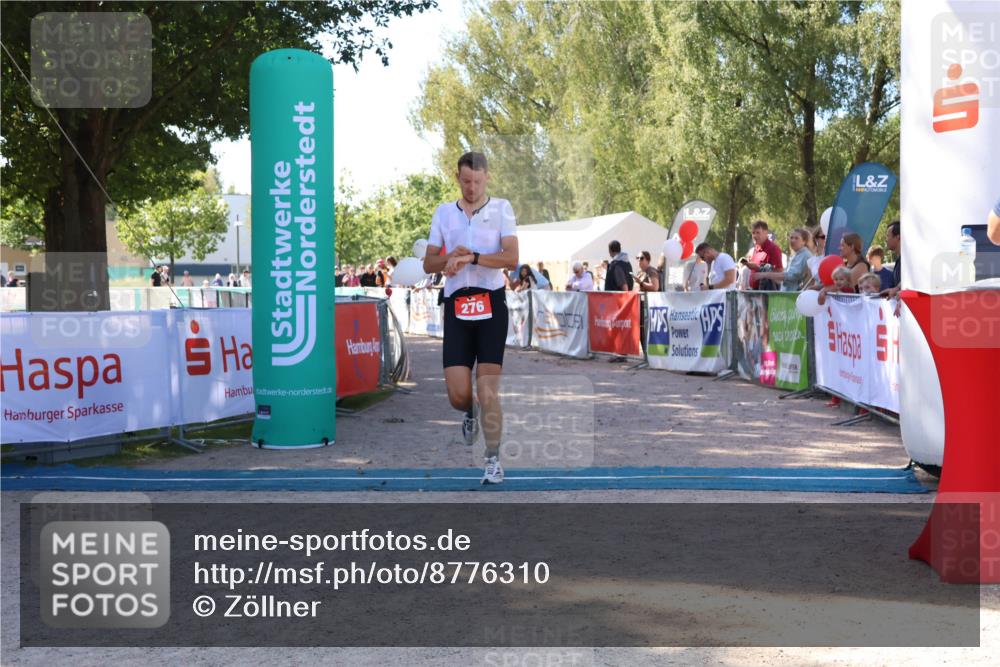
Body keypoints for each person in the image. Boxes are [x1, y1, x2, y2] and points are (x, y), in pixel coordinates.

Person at [422, 151, 518, 485]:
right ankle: (469, 412)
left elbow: (511, 257)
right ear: (457, 178)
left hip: (491, 304)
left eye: (477, 181)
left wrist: (473, 257)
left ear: (487, 177)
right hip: (457, 306)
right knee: (459, 395)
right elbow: (428, 263)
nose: (472, 187)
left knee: (488, 392)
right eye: (466, 181)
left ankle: (492, 460)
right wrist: (451, 257)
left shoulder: (502, 208)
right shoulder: (444, 213)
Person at [755, 228, 814, 292]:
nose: (793, 240)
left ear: (804, 241)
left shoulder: (805, 255)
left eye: (796, 238)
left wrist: (766, 274)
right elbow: (785, 278)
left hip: (794, 296)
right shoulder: (796, 255)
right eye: (791, 238)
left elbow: (791, 276)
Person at [746, 220, 783, 289]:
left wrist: (757, 268)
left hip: (767, 293)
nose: (755, 236)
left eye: (758, 232)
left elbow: (779, 273)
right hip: (754, 292)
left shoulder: (773, 249)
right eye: (753, 233)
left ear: (766, 233)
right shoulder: (756, 248)